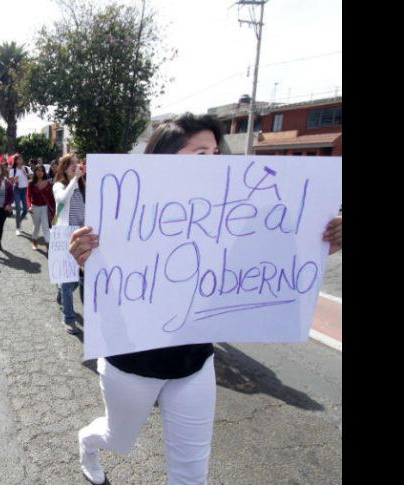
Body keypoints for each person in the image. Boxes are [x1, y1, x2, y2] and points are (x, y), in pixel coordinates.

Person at [69, 113, 343, 485]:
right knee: (118, 440)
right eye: (201, 153)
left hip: (194, 363)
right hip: (131, 366)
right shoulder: (124, 210)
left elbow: (267, 264)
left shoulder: (227, 215)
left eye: (216, 153)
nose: (212, 163)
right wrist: (88, 262)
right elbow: (108, 295)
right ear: (164, 158)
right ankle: (88, 442)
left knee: (191, 472)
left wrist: (319, 241)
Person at [52, 153, 86, 335]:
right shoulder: (59, 185)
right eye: (71, 164)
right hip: (64, 237)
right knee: (68, 281)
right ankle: (69, 318)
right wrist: (75, 180)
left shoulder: (81, 186)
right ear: (64, 168)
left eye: (77, 163)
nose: (75, 166)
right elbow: (63, 200)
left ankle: (61, 291)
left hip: (80, 237)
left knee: (75, 280)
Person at [27, 163, 54, 251]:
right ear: (35, 172)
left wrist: (54, 210)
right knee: (36, 227)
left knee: (45, 227)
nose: (40, 172)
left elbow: (51, 198)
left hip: (45, 208)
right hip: (35, 208)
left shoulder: (48, 183)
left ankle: (48, 247)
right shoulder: (31, 183)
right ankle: (34, 241)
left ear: (44, 172)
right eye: (38, 170)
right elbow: (28, 196)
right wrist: (30, 206)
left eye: (42, 171)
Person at [8, 154, 32, 235]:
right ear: (15, 161)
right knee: (18, 209)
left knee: (25, 209)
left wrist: (27, 175)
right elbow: (11, 182)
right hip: (17, 190)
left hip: (25, 190)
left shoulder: (26, 168)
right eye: (18, 159)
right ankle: (18, 228)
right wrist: (15, 179)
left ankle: (19, 221)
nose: (20, 161)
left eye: (21, 159)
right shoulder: (13, 170)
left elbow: (33, 177)